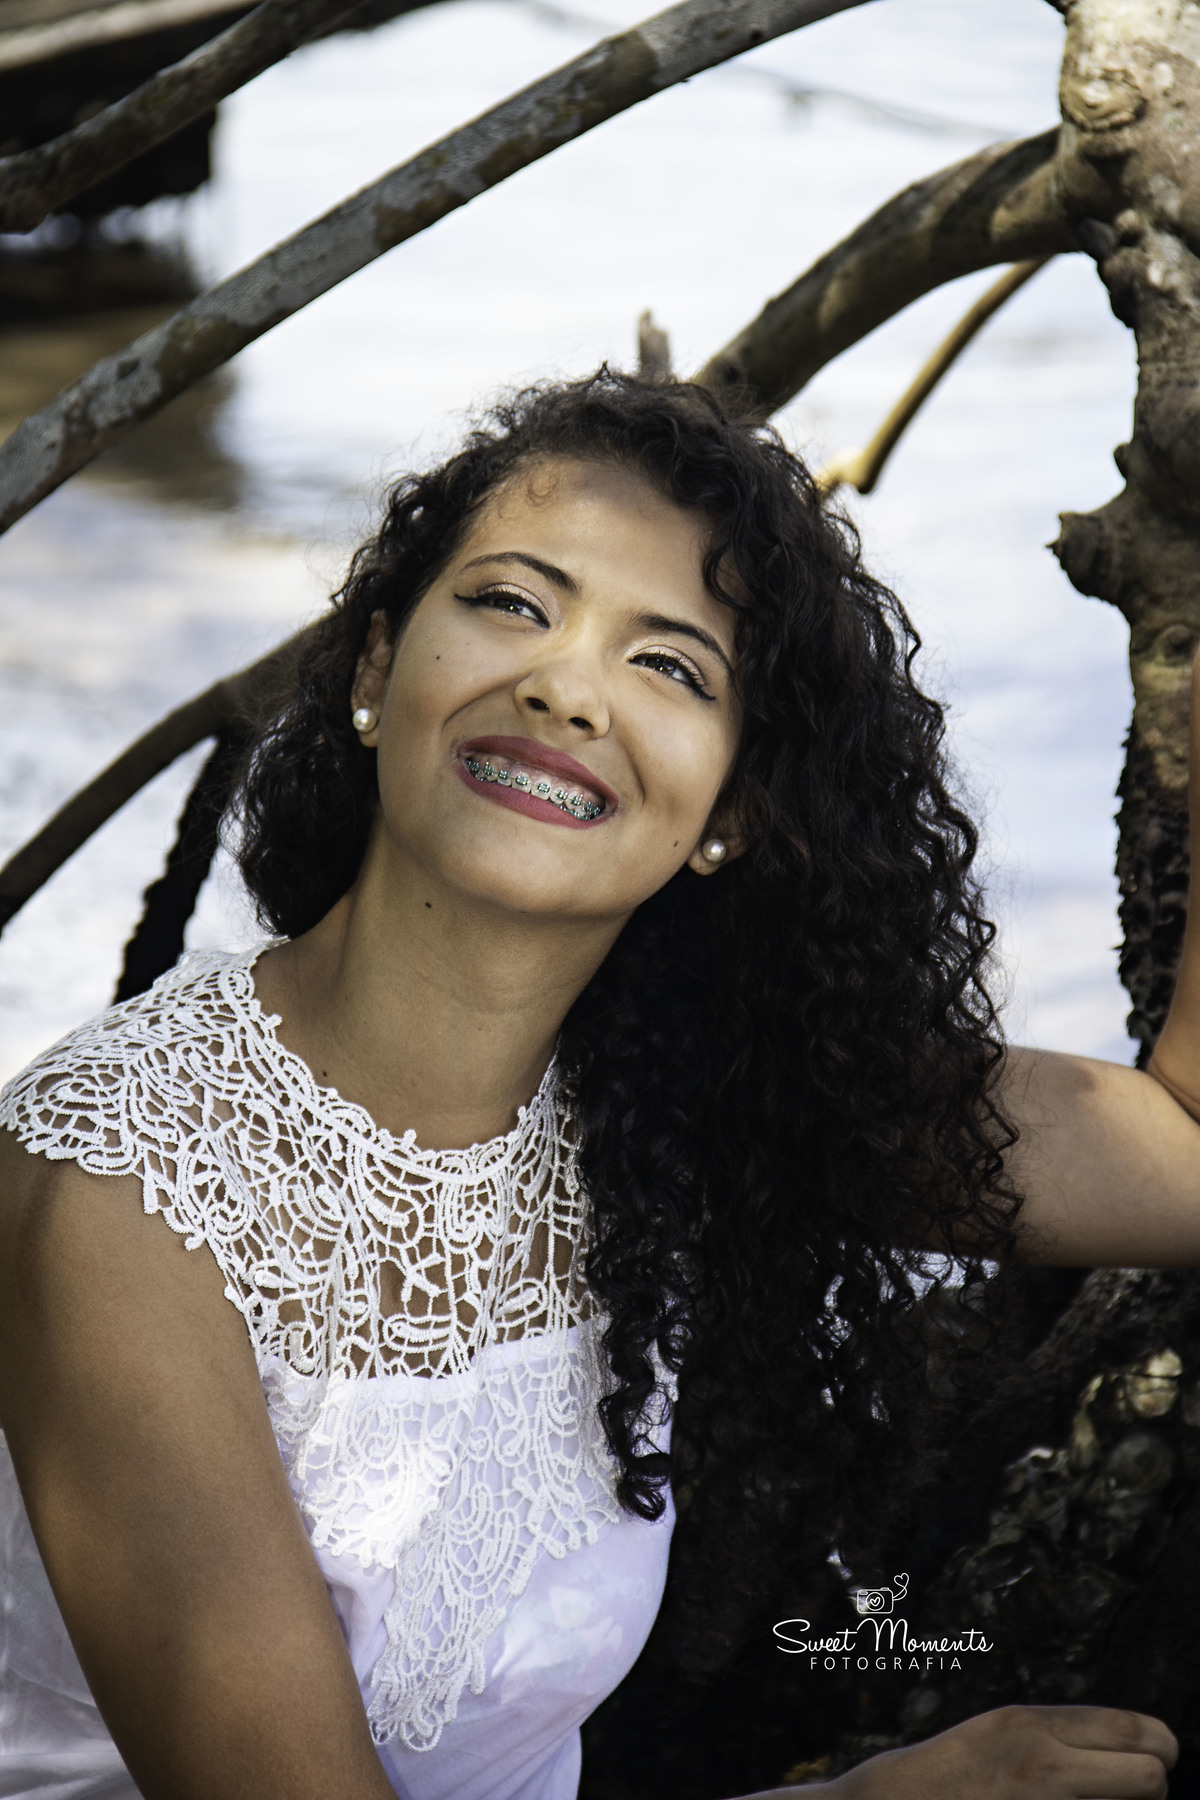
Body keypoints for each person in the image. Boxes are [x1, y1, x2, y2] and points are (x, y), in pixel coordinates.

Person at [0, 369, 1191, 1800]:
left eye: (671, 668)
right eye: (513, 603)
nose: (564, 687)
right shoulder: (126, 1192)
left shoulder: (668, 1096)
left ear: (731, 811)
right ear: (376, 668)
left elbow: (1180, 1154)